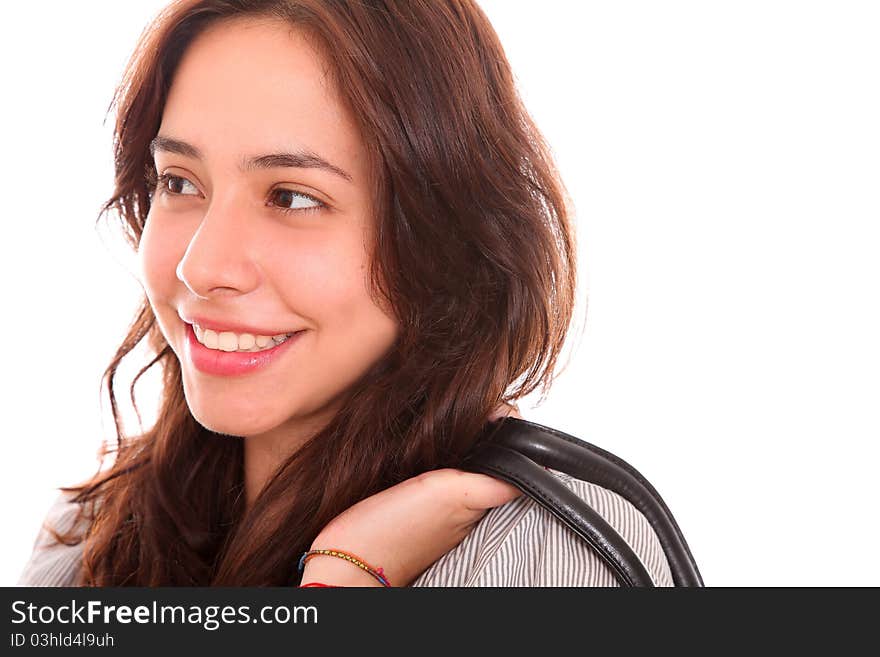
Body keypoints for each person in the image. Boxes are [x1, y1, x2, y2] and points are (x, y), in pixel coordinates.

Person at [18, 0, 673, 587]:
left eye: (293, 196)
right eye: (180, 183)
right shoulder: (91, 527)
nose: (202, 265)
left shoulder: (544, 551)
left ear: (442, 237)